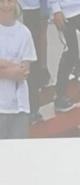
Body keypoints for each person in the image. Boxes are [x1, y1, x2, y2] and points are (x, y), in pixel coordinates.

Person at [0, 0, 35, 138]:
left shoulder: (24, 33)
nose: (5, 5)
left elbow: (24, 73)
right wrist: (14, 67)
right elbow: (18, 70)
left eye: (9, 1)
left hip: (19, 109)